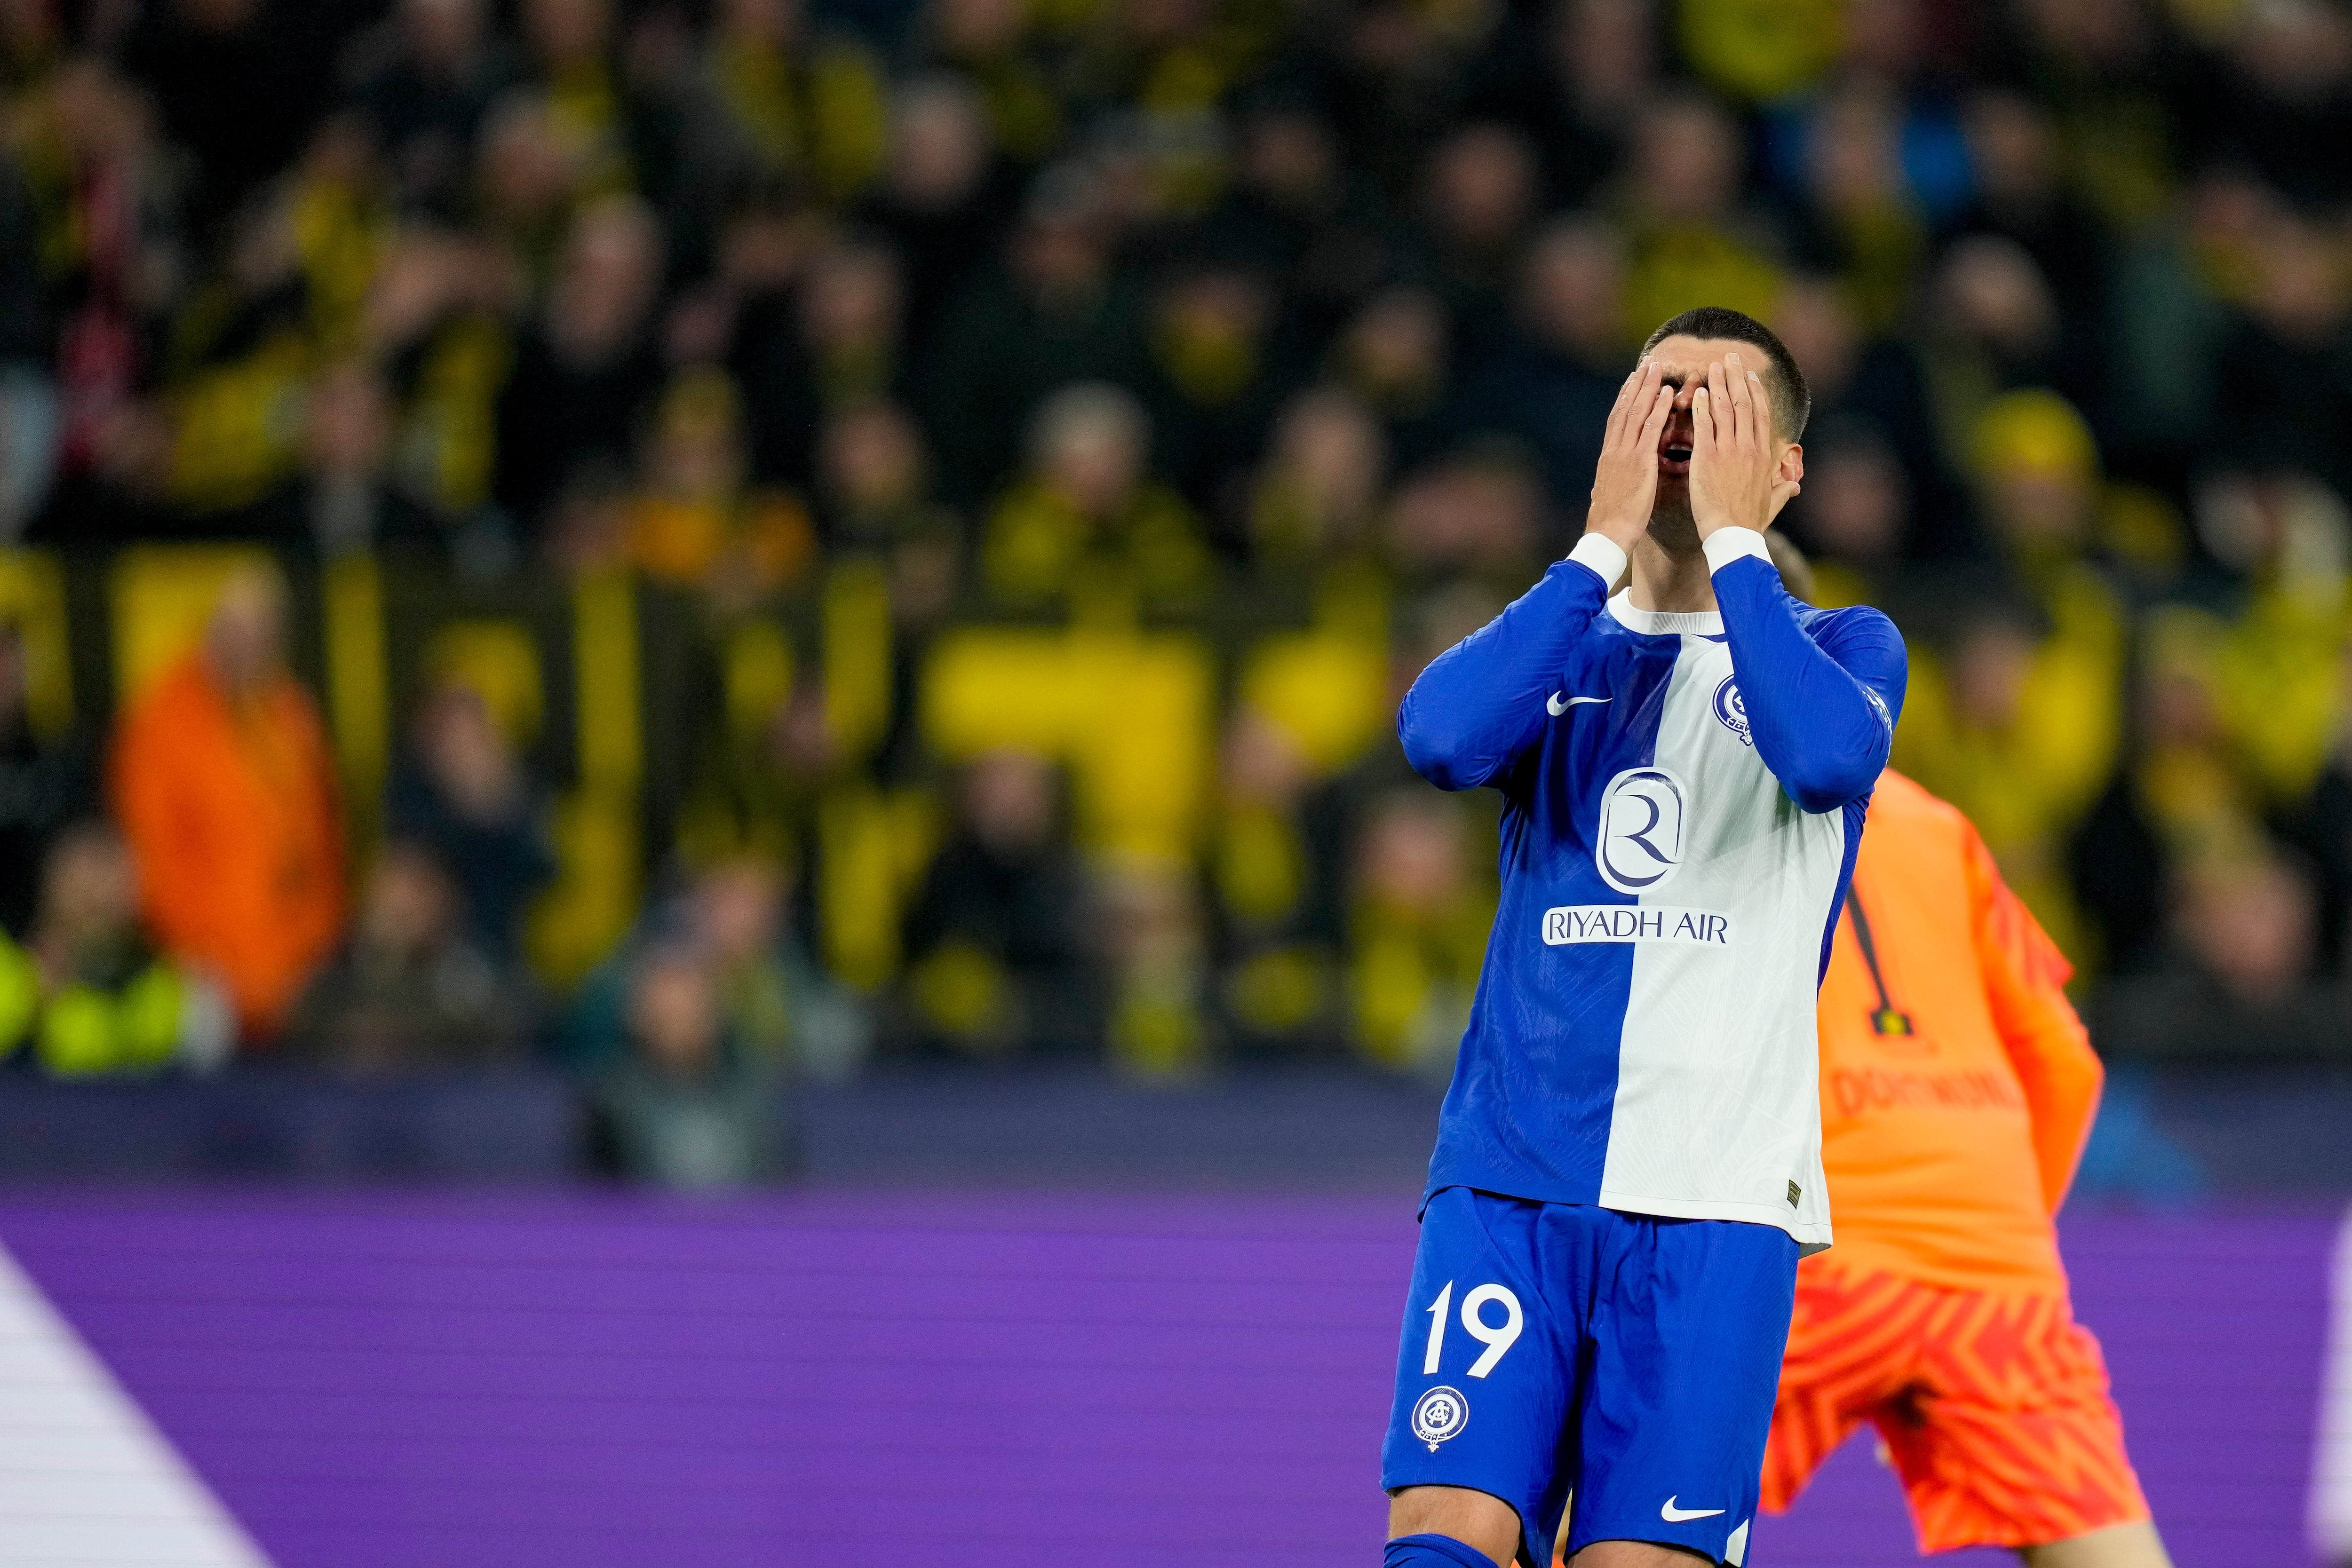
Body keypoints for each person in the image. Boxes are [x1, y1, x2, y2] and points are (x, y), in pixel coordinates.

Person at [1383, 307, 1907, 1568]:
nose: (1685, 425)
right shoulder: (1567, 644)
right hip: (1513, 1179)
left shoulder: (1844, 647)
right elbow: (1439, 738)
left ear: (1785, 464)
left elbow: (1828, 756)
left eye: (1719, 406)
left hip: (1716, 1203)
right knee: (1439, 1542)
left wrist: (1733, 538)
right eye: (1659, 396)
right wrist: (1600, 541)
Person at [1757, 760, 2172, 1567]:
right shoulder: (1937, 824)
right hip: (1993, 1276)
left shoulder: (1690, 792)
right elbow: (2065, 1062)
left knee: (1594, 1518)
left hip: (1812, 1255)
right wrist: (1988, 1242)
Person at [109, 567, 346, 1041]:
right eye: (235, 628)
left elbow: (318, 845)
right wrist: (207, 959)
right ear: (210, 628)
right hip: (200, 971)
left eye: (262, 631)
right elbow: (155, 857)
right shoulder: (163, 723)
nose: (247, 645)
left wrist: (315, 949)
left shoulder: (289, 715)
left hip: (295, 973)